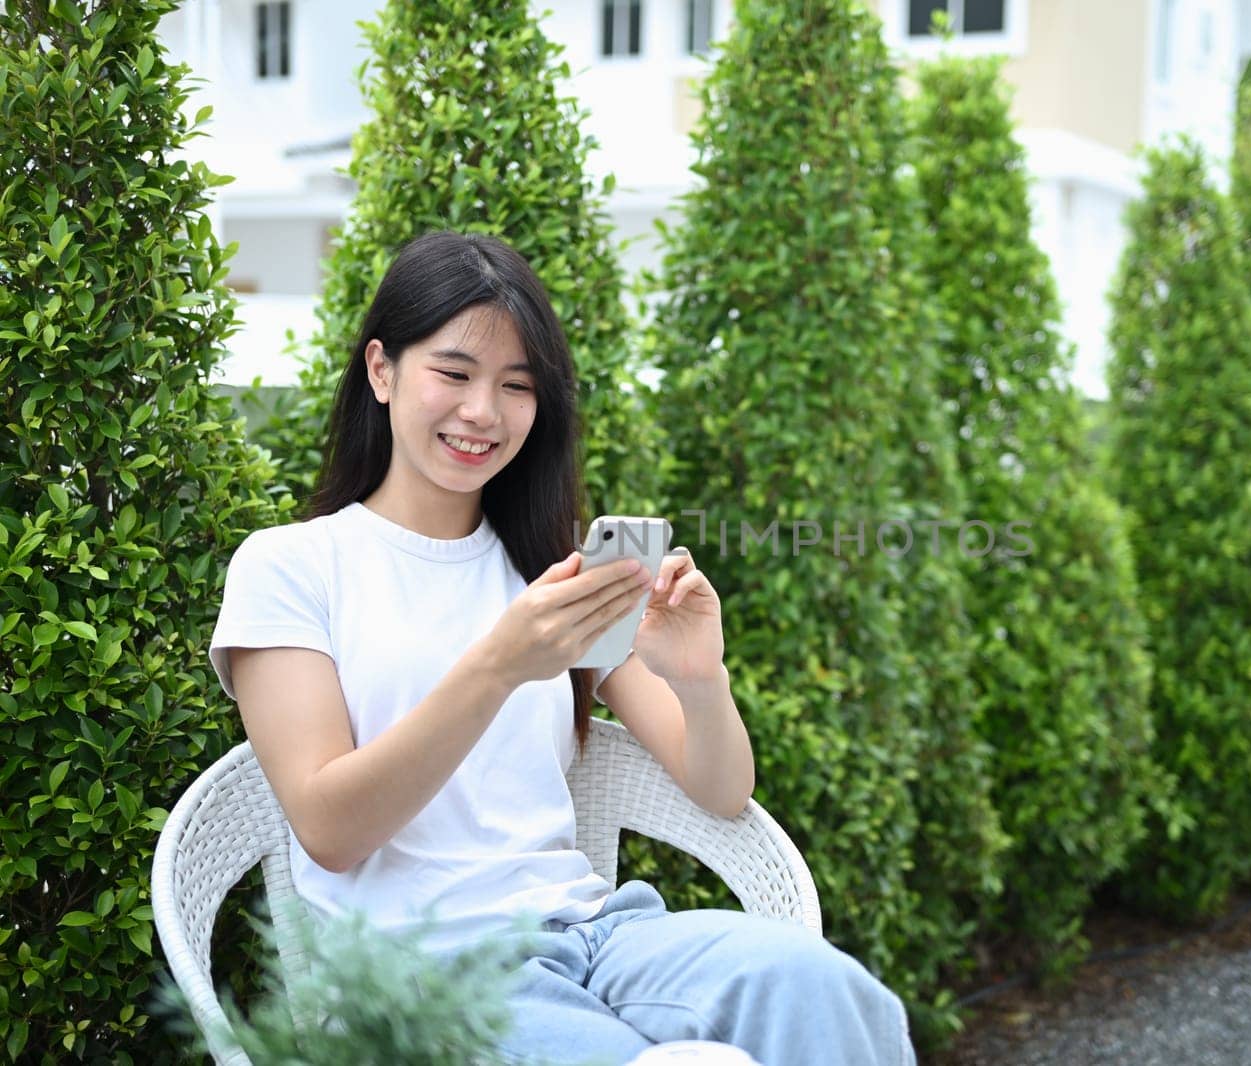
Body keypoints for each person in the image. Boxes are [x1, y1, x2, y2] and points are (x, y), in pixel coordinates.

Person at [208, 230, 915, 1065]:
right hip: (422, 976)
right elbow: (329, 827)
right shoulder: (291, 567)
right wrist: (498, 665)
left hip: (595, 939)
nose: (484, 413)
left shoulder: (553, 576)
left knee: (826, 991)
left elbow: (721, 791)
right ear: (381, 370)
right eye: (455, 373)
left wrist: (698, 677)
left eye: (517, 386)